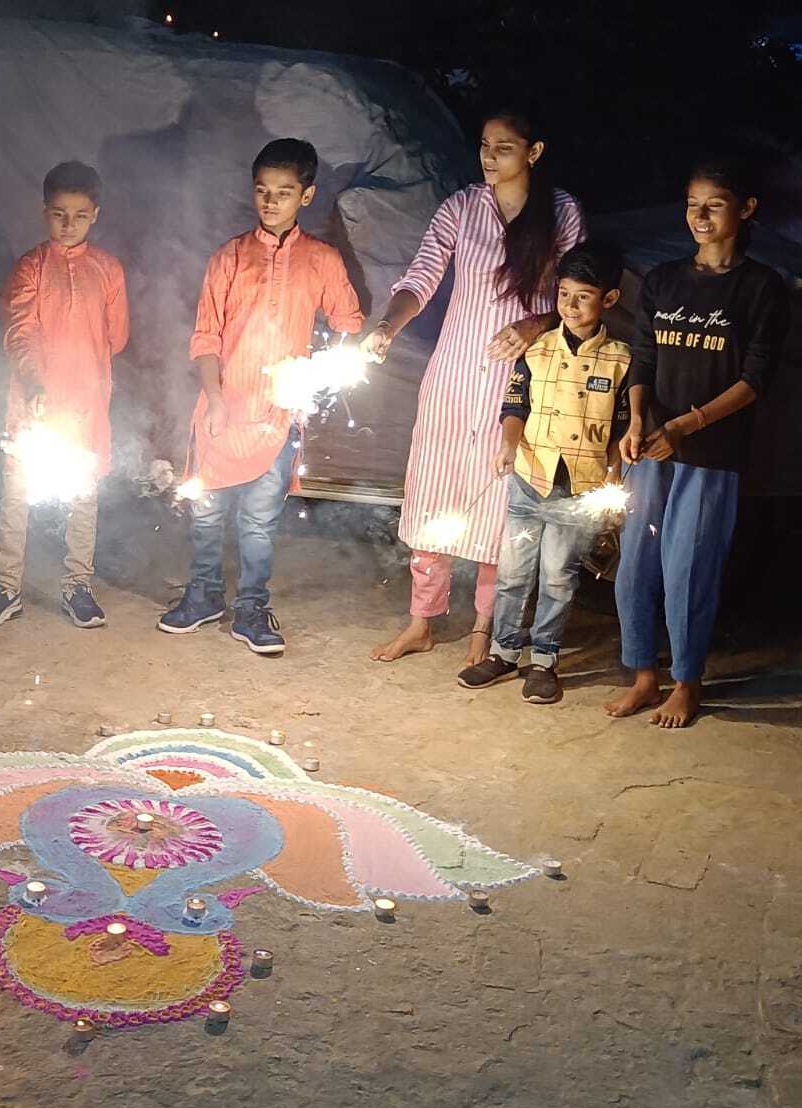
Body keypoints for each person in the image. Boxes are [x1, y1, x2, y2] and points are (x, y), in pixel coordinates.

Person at [364, 106, 586, 666]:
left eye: (504, 147)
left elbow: (577, 294)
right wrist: (387, 327)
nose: (489, 156)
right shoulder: (462, 208)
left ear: (534, 152)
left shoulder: (561, 213)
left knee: (498, 502)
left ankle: (486, 627)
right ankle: (422, 620)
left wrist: (534, 325)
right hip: (455, 374)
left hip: (520, 381)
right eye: (485, 145)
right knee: (432, 491)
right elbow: (421, 276)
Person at [158, 138, 363, 655]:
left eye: (284, 192)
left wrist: (316, 374)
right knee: (207, 512)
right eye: (262, 191)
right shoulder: (229, 256)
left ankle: (251, 607)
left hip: (277, 414)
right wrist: (215, 397)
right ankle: (204, 595)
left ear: (307, 196)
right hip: (222, 406)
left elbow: (349, 324)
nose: (270, 202)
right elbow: (206, 335)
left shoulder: (321, 260)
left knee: (257, 521)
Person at [605, 159, 789, 728]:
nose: (700, 216)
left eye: (714, 204)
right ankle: (643, 676)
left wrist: (685, 426)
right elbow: (643, 358)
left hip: (711, 454)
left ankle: (686, 682)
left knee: (689, 569)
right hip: (650, 446)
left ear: (746, 209)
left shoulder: (761, 287)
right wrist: (637, 421)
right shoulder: (663, 280)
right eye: (691, 204)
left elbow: (754, 380)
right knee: (635, 565)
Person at [456, 244, 631, 703]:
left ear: (609, 299)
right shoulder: (537, 350)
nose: (570, 306)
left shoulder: (620, 360)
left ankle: (544, 659)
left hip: (580, 488)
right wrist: (508, 446)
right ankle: (504, 651)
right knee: (514, 572)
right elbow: (515, 406)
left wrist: (615, 471)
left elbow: (620, 426)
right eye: (564, 294)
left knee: (558, 576)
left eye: (583, 297)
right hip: (529, 478)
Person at [0, 161, 130, 630]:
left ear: (95, 215)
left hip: (86, 403)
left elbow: (117, 336)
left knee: (83, 493)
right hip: (34, 402)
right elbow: (19, 332)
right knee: (17, 493)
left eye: (79, 216)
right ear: (44, 213)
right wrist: (36, 382)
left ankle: (78, 586)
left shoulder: (108, 270)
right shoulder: (30, 268)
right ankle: (6, 588)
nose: (68, 224)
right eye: (59, 215)